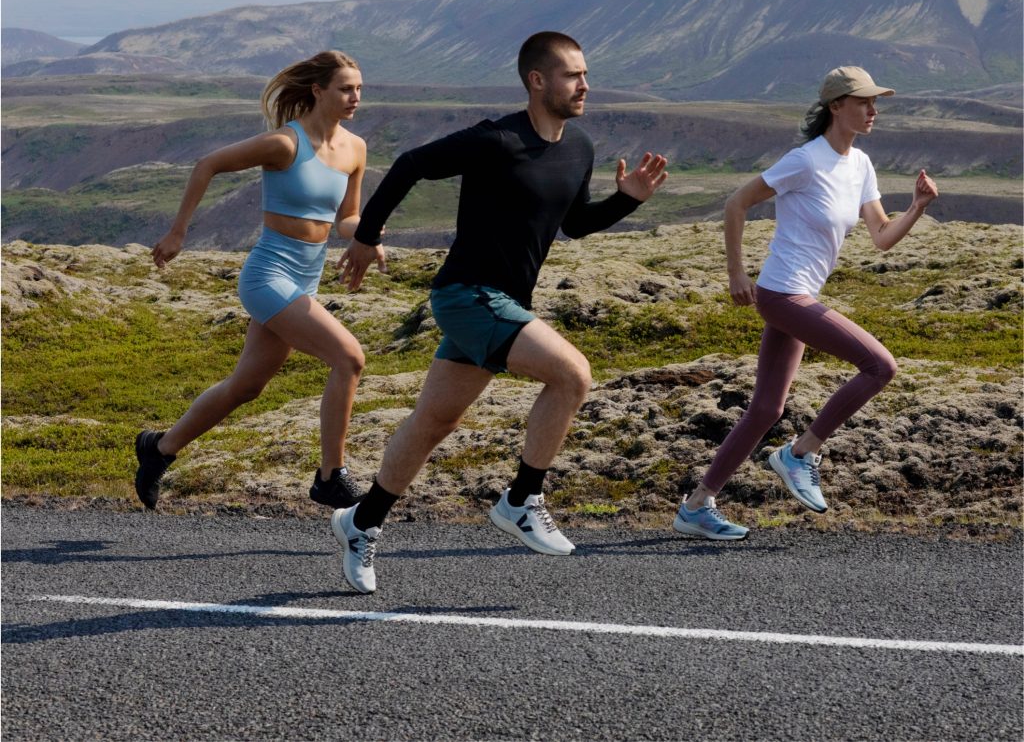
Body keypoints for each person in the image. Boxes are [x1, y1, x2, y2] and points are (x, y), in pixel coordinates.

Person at [335, 31, 668, 593]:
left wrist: (628, 199)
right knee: (572, 374)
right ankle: (522, 498)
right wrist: (367, 236)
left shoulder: (578, 147)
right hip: (467, 294)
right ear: (538, 81)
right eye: (571, 75)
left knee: (435, 421)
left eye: (586, 74)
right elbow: (412, 164)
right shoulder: (497, 140)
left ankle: (360, 521)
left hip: (505, 301)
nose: (584, 85)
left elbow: (575, 223)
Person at [672, 66, 939, 540]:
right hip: (780, 293)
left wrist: (916, 207)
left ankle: (697, 505)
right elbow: (737, 203)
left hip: (801, 295)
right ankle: (799, 454)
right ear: (836, 106)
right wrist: (737, 272)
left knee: (766, 410)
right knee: (880, 367)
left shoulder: (860, 164)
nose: (873, 110)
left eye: (876, 102)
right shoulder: (806, 160)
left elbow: (881, 238)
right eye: (863, 102)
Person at [134, 50, 383, 512]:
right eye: (346, 88)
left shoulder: (355, 148)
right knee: (349, 359)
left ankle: (159, 448)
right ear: (318, 90)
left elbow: (346, 217)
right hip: (268, 275)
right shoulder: (286, 144)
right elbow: (206, 164)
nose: (355, 97)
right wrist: (177, 232)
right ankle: (331, 476)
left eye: (359, 89)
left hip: (306, 279)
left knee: (246, 387)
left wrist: (367, 236)